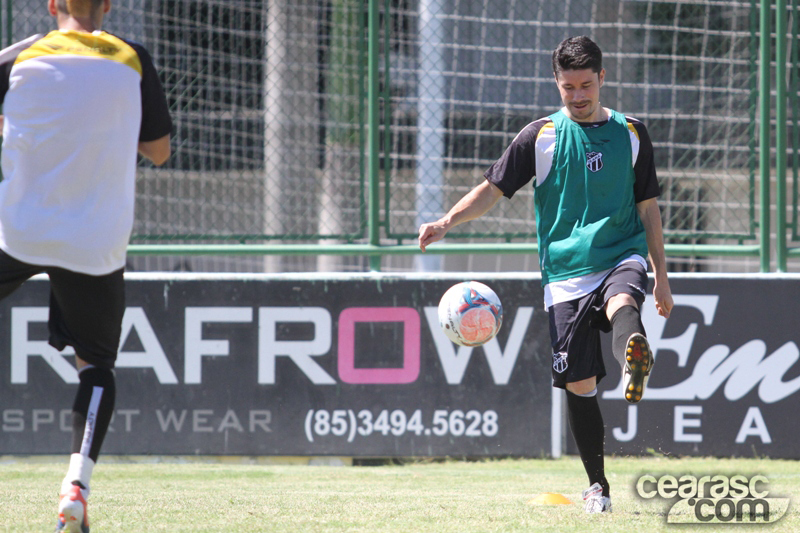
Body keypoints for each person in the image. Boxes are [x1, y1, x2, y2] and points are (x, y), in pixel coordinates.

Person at [418, 35, 673, 513]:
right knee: (579, 385)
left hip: (622, 253)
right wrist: (447, 221)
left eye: (586, 85)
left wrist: (661, 274)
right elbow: (491, 190)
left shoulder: (632, 133)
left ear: (602, 78)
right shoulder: (540, 137)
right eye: (568, 87)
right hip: (565, 274)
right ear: (556, 83)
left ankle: (632, 359)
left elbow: (648, 208)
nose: (578, 96)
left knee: (623, 300)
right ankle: (598, 486)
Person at [0, 0, 172, 530]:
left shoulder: (16, 59)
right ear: (108, 6)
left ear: (53, 5)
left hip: (17, 229)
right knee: (95, 367)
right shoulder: (133, 59)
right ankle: (75, 488)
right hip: (94, 241)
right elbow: (159, 151)